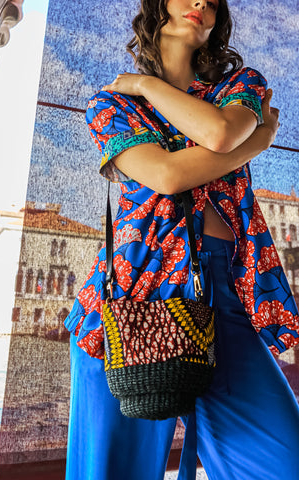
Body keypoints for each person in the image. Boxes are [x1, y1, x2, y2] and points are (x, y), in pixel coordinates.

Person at [64, 0, 299, 479]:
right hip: (130, 302)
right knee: (109, 473)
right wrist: (255, 143)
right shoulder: (111, 104)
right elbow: (168, 176)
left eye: (212, 2)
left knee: (285, 462)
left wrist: (147, 83)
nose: (201, 4)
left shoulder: (240, 86)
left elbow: (216, 130)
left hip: (225, 292)